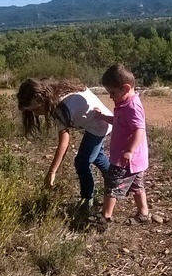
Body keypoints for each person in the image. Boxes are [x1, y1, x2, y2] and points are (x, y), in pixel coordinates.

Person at [17, 77, 112, 211]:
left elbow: (64, 142)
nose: (35, 114)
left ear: (41, 100)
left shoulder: (61, 107)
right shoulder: (57, 92)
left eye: (35, 109)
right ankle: (115, 181)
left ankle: (87, 200)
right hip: (99, 119)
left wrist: (52, 172)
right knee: (96, 156)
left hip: (99, 124)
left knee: (82, 162)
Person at [93, 63, 150, 226]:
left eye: (113, 93)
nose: (111, 97)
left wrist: (129, 151)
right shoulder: (124, 104)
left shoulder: (132, 107)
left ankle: (105, 217)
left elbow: (139, 129)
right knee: (137, 186)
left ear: (125, 88)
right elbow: (119, 123)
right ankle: (144, 214)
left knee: (112, 184)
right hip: (133, 160)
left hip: (125, 159)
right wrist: (103, 117)